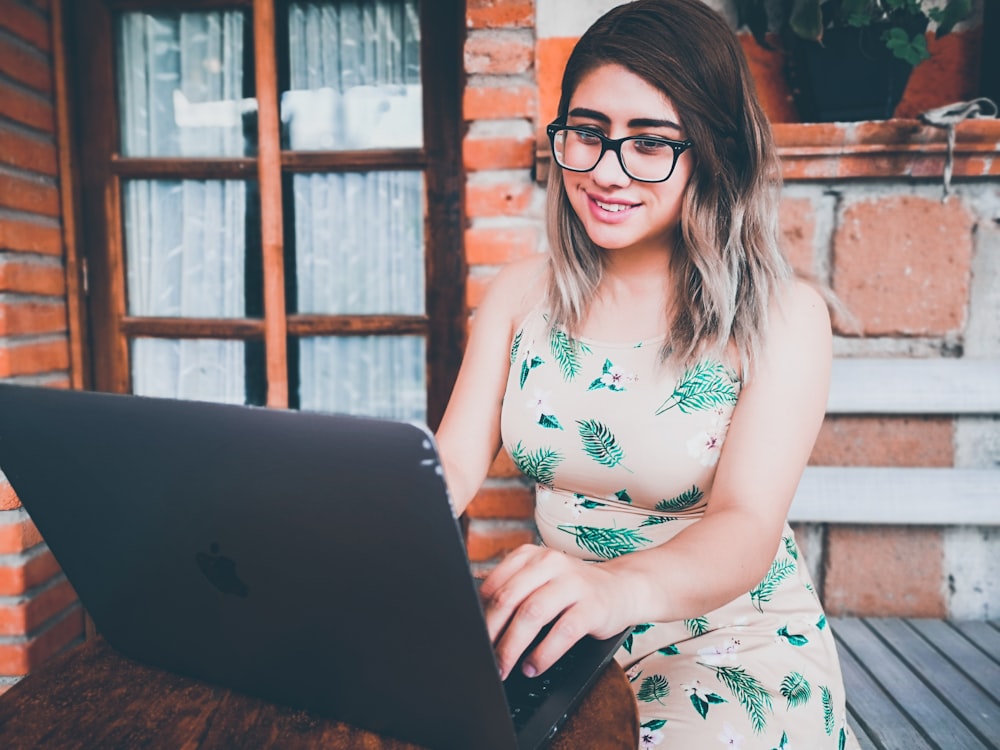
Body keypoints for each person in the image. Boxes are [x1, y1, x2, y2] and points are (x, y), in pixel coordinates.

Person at [435, 1, 858, 747]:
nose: (607, 171)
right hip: (563, 640)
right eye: (589, 134)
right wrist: (355, 526)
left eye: (651, 144)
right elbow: (452, 465)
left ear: (714, 149)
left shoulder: (784, 316)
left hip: (726, 648)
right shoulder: (519, 294)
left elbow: (746, 526)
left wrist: (616, 588)